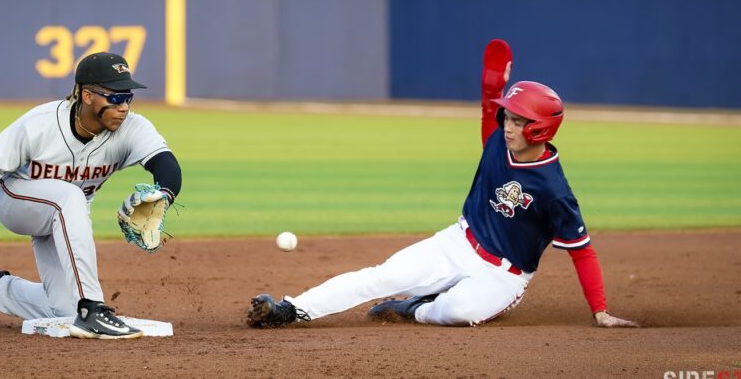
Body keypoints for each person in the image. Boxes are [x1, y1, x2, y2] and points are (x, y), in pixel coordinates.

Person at [246, 42, 637, 329]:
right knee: (380, 276)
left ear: (540, 128)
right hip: (457, 242)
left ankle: (414, 308)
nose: (508, 126)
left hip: (504, 275)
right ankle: (290, 309)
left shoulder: (555, 190)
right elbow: (489, 112)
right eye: (508, 118)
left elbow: (582, 252)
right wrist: (491, 86)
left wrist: (599, 311)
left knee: (458, 312)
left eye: (518, 121)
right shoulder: (497, 143)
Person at [0, 52, 182, 339]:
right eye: (115, 97)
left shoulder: (132, 128)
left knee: (65, 308)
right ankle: (92, 309)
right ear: (88, 95)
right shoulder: (42, 123)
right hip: (15, 198)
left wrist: (164, 195)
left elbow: (166, 163)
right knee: (70, 196)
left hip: (65, 216)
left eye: (128, 97)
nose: (124, 107)